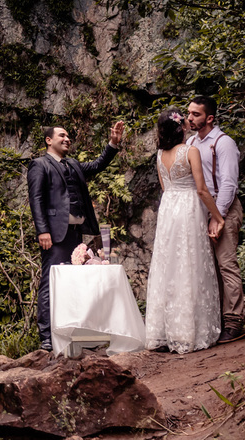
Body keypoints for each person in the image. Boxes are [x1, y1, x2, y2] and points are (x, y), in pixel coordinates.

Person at [27, 121, 126, 351]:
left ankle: (71, 332)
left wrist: (113, 143)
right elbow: (36, 199)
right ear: (49, 140)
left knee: (72, 283)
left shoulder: (73, 164)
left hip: (75, 235)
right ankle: (46, 338)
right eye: (62, 135)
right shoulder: (39, 165)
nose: (67, 138)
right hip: (53, 235)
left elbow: (98, 165)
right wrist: (42, 230)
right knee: (49, 283)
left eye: (69, 135)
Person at [144, 109, 223, 353]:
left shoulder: (159, 155)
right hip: (188, 208)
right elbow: (201, 190)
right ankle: (190, 332)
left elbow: (165, 186)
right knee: (190, 263)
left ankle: (164, 331)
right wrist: (217, 217)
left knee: (168, 267)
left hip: (168, 209)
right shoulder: (191, 151)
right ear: (181, 128)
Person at [186, 96, 245, 343]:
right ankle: (217, 320)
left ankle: (234, 322)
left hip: (225, 209)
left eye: (196, 114)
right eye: (188, 113)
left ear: (209, 118)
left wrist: (216, 216)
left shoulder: (224, 143)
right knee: (208, 268)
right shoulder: (190, 142)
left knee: (226, 264)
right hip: (200, 212)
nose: (190, 118)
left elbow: (229, 184)